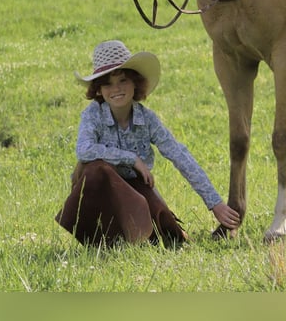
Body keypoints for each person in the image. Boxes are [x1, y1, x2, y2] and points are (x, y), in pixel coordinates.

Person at [55, 39, 240, 247]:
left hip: (133, 187)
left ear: (136, 82)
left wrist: (215, 203)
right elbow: (84, 150)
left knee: (167, 233)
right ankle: (102, 240)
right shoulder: (93, 114)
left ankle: (143, 237)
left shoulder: (147, 119)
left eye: (123, 80)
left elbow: (179, 155)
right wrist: (131, 158)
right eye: (107, 83)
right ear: (98, 90)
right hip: (100, 192)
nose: (116, 89)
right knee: (97, 170)